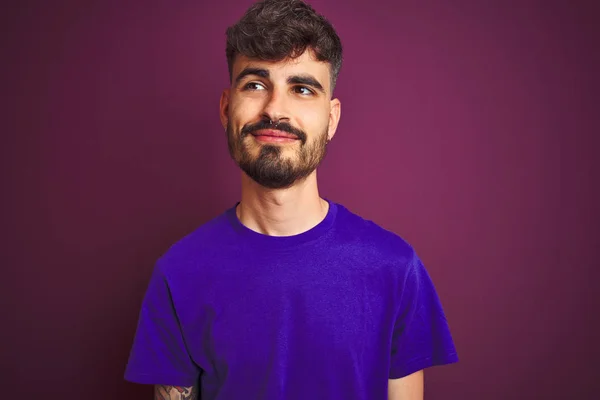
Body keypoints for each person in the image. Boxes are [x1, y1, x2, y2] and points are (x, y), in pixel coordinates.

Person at [124, 0, 458, 398]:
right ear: (227, 107)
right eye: (255, 84)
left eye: (301, 89)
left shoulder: (396, 269)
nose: (275, 109)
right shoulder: (177, 274)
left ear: (331, 119)